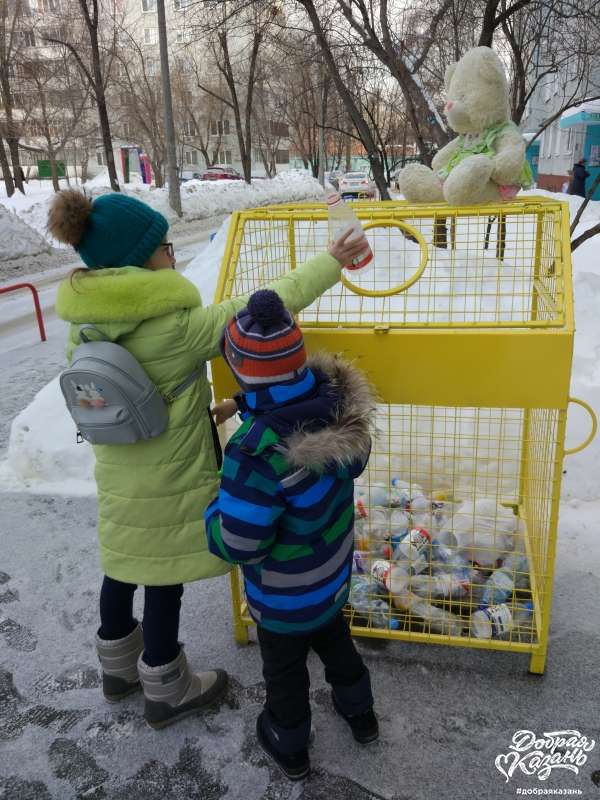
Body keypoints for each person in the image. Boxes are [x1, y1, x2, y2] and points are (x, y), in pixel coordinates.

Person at [48, 190, 368, 730]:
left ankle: (117, 670)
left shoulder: (83, 325)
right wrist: (332, 260)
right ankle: (166, 684)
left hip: (118, 477)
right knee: (162, 579)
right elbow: (269, 301)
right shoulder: (175, 328)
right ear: (140, 260)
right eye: (164, 247)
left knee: (121, 567)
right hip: (169, 483)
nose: (171, 256)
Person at [206, 289, 377, 781]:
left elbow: (241, 541)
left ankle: (290, 741)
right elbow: (287, 398)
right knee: (338, 647)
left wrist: (212, 515)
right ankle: (361, 715)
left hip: (282, 600)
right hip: (329, 583)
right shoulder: (338, 414)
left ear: (241, 371)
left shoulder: (253, 455)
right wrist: (240, 403)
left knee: (284, 674)